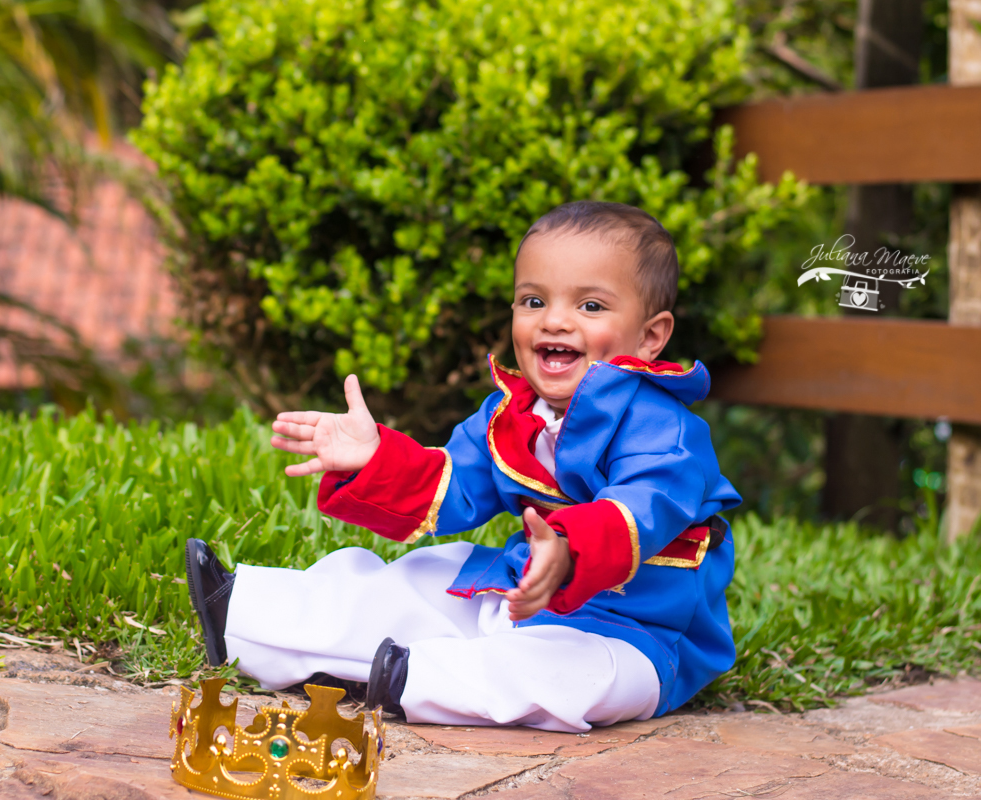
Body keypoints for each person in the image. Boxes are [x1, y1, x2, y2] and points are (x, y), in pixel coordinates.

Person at [185, 201, 741, 733]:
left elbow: (641, 509)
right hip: (520, 596)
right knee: (418, 577)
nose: (555, 322)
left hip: (633, 635)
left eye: (590, 306)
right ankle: (248, 615)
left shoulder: (668, 432)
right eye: (533, 301)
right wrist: (375, 458)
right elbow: (451, 485)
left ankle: (411, 678)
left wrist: (568, 549)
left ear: (650, 336)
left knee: (565, 679)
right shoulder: (511, 415)